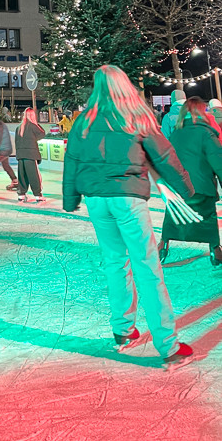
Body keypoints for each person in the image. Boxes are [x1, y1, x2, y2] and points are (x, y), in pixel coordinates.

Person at [63, 65, 195, 366]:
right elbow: (164, 155)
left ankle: (123, 331)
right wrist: (186, 187)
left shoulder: (85, 119)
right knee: (147, 266)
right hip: (127, 198)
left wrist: (71, 198)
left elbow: (72, 159)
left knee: (115, 262)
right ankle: (168, 345)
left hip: (97, 200)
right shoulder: (135, 114)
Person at [158, 96, 222, 267]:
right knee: (207, 218)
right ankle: (215, 250)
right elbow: (219, 162)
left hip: (179, 189)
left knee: (173, 217)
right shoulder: (206, 134)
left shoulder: (175, 134)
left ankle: (163, 245)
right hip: (202, 188)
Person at [14, 108, 46, 202]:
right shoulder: (33, 126)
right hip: (30, 155)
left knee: (22, 175)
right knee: (34, 175)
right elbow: (42, 134)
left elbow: (16, 142)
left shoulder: (19, 128)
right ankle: (38, 195)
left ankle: (21, 194)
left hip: (21, 155)